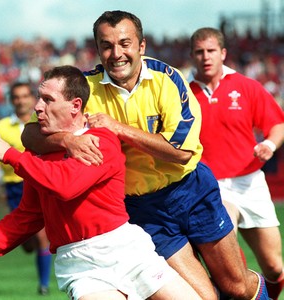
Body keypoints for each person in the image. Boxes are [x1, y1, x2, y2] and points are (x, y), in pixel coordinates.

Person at [21, 10, 269, 300]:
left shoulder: (169, 80)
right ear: (98, 49)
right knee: (204, 297)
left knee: (236, 286)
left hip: (191, 190)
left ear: (141, 46)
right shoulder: (85, 88)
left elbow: (180, 152)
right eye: (107, 45)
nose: (116, 54)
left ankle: (267, 292)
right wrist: (67, 140)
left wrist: (117, 128)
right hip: (143, 209)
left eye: (125, 44)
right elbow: (29, 134)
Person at [0, 65, 202, 300]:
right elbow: (30, 214)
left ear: (75, 105)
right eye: (39, 98)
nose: (37, 107)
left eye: (47, 99)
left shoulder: (100, 140)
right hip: (79, 265)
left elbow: (65, 186)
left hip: (127, 251)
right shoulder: (37, 154)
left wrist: (10, 155)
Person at [188, 27, 284, 300]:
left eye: (211, 51)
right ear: (192, 55)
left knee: (275, 267)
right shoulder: (181, 92)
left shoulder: (246, 86)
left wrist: (269, 144)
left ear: (223, 53)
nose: (206, 57)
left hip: (250, 182)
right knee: (230, 268)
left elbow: (277, 125)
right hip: (210, 187)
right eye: (199, 52)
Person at [0, 82, 52, 295]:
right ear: (11, 100)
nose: (21, 100)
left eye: (25, 96)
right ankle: (33, 249)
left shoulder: (43, 122)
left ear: (32, 98)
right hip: (14, 188)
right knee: (26, 242)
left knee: (42, 236)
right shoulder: (1, 127)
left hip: (36, 183)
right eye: (16, 97)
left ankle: (43, 285)